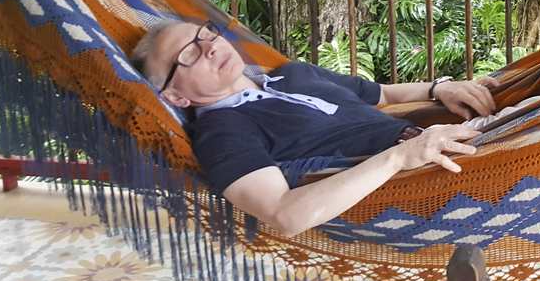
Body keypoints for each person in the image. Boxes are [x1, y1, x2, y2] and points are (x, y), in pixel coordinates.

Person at [130, 19, 497, 237]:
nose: (209, 48)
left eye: (206, 35)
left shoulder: (294, 73)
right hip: (422, 180)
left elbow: (381, 92)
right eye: (188, 56)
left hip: (446, 139)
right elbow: (284, 214)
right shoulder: (221, 132)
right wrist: (397, 158)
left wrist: (439, 89)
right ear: (176, 98)